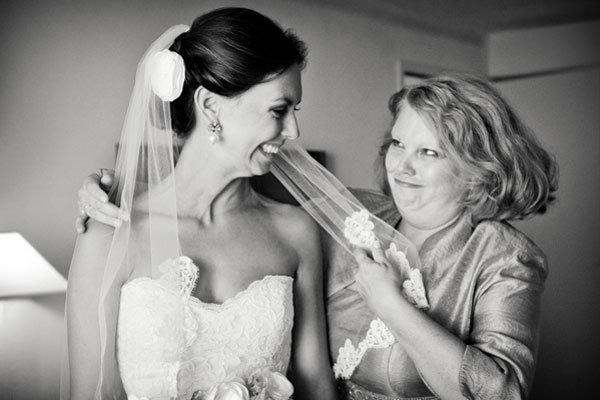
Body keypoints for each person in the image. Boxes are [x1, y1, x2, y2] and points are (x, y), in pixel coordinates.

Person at [76, 76, 557, 398]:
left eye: (428, 152)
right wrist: (106, 187)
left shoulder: (503, 255)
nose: (402, 168)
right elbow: (219, 190)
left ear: (479, 168)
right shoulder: (354, 212)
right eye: (397, 143)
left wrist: (392, 306)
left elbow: (502, 391)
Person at [64, 8, 337, 400]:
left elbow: (316, 386)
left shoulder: (296, 231)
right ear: (210, 106)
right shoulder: (110, 228)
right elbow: (91, 394)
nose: (294, 131)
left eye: (295, 111)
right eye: (279, 110)